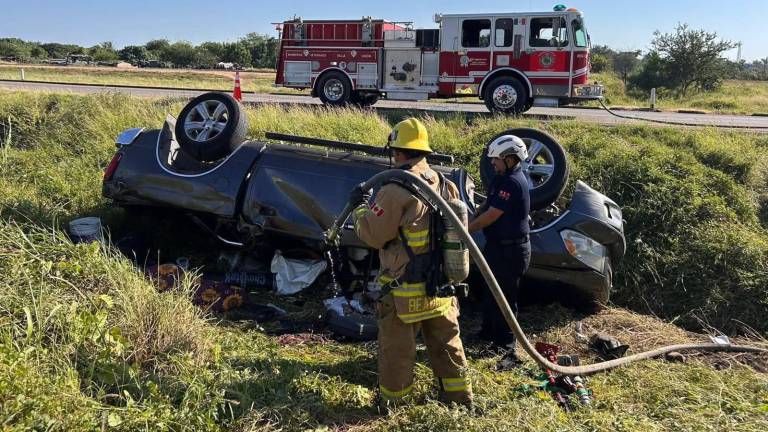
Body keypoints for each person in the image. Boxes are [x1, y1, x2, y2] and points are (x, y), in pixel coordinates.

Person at [349, 118, 473, 408]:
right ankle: (460, 400)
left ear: (400, 152)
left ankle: (395, 405)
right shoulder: (444, 184)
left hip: (404, 291)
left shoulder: (394, 190)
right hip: (441, 289)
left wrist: (359, 209)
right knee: (448, 346)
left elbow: (374, 235)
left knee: (397, 351)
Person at [467, 135, 531, 367]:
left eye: (496, 159)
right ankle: (488, 333)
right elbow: (486, 205)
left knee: (505, 296)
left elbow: (493, 215)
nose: (492, 163)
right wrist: (470, 217)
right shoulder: (501, 178)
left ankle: (505, 342)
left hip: (512, 251)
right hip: (496, 247)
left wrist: (465, 230)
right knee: (490, 292)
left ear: (510, 159)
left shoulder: (513, 183)